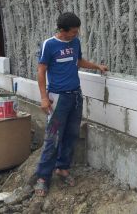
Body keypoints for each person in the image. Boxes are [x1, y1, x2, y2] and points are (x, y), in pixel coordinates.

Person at [34, 12, 108, 196]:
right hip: (58, 99)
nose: (76, 34)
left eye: (77, 31)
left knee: (71, 134)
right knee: (53, 137)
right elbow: (41, 71)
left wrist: (96, 66)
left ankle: (62, 167)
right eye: (73, 32)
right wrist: (44, 97)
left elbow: (78, 61)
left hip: (75, 96)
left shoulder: (75, 42)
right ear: (62, 30)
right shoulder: (49, 45)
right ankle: (43, 177)